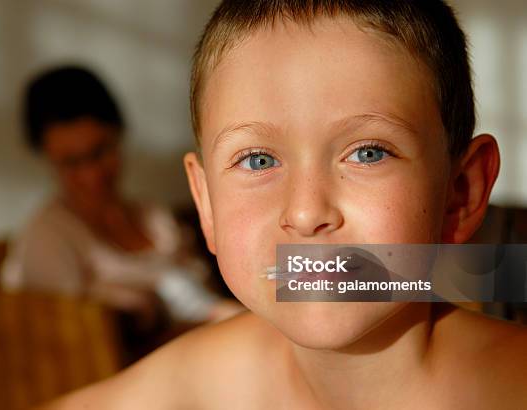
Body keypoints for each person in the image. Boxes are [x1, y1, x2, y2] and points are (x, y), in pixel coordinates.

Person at [40, 1, 527, 409]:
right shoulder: (206, 378)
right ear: (206, 205)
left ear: (460, 193)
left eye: (368, 152)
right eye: (257, 160)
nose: (305, 211)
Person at [0, 66, 242, 327]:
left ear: (118, 135)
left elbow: (214, 297)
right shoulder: (48, 239)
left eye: (100, 152)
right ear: (46, 158)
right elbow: (67, 342)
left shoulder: (154, 215)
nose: (91, 175)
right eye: (71, 162)